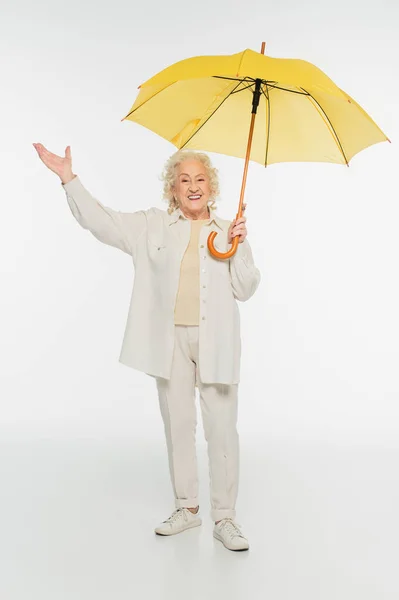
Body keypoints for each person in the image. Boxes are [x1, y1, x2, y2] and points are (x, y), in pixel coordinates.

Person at [33, 142, 261, 551]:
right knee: (178, 426)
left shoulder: (229, 230)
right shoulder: (152, 226)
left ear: (212, 186)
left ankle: (225, 518)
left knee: (222, 430)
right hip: (169, 340)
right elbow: (102, 222)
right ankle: (187, 509)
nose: (193, 186)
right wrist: (69, 179)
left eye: (200, 179)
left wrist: (240, 246)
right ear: (172, 189)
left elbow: (246, 289)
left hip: (217, 341)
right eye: (183, 180)